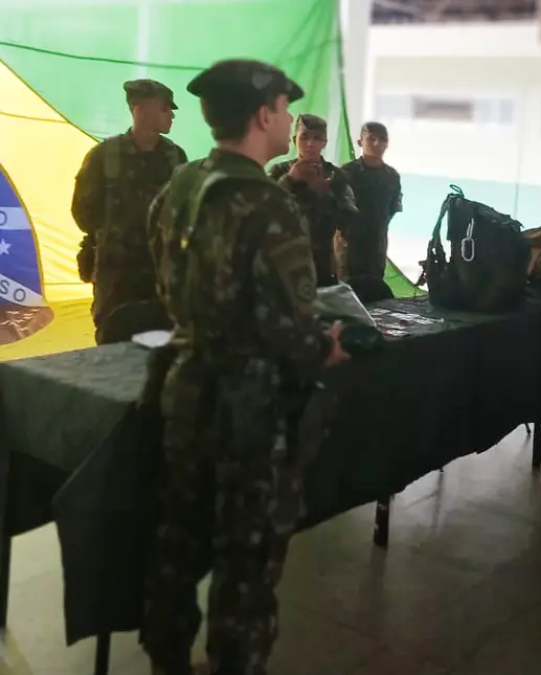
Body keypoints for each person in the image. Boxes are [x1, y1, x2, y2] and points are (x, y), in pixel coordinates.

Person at [140, 58, 350, 675]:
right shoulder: (269, 203)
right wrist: (325, 349)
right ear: (264, 115)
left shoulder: (177, 185)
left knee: (176, 545)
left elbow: (168, 281)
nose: (289, 121)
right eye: (285, 110)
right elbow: (289, 328)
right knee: (245, 561)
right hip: (249, 409)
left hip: (184, 388)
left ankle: (166, 661)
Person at [71, 78, 187, 344]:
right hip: (118, 279)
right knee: (112, 347)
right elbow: (83, 212)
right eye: (165, 108)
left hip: (161, 275)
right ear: (140, 109)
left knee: (163, 350)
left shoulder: (175, 156)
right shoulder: (104, 156)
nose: (171, 115)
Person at [268, 114, 357, 287]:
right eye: (304, 137)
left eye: (317, 138)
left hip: (322, 264)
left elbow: (349, 222)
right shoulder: (279, 172)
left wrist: (324, 195)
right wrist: (290, 180)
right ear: (295, 140)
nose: (310, 144)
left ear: (324, 143)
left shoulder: (336, 176)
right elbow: (263, 209)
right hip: (284, 262)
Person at [340, 121, 402, 301]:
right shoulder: (346, 173)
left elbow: (392, 209)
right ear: (360, 142)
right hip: (349, 248)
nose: (377, 144)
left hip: (376, 247)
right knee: (347, 296)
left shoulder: (391, 176)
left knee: (376, 297)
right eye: (371, 138)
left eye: (382, 139)